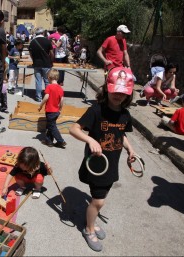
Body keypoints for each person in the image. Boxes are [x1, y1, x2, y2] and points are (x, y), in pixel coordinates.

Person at [69, 67, 136, 252]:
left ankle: (92, 220)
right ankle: (88, 229)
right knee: (98, 201)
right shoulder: (96, 110)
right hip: (96, 165)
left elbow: (121, 134)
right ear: (108, 88)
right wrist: (90, 139)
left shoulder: (125, 114)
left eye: (123, 93)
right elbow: (73, 129)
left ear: (128, 94)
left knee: (99, 198)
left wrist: (131, 150)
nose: (118, 96)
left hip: (112, 164)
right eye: (115, 91)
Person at [38, 69, 66, 148]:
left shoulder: (49, 87)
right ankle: (49, 141)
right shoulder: (60, 88)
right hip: (56, 111)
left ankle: (61, 141)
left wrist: (40, 105)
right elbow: (62, 100)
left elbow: (46, 97)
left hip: (50, 111)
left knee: (52, 127)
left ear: (49, 77)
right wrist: (60, 108)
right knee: (50, 125)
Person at [28, 27, 54, 102]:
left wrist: (34, 60)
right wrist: (51, 62)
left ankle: (38, 98)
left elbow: (30, 53)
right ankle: (47, 97)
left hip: (37, 64)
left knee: (38, 81)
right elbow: (52, 53)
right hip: (46, 64)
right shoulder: (47, 41)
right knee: (47, 81)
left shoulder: (33, 42)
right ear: (43, 33)